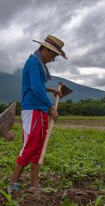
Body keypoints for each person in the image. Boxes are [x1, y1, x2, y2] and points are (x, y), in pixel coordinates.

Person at [9, 35, 67, 194]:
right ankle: (13, 184)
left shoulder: (39, 64)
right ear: (46, 50)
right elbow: (35, 88)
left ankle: (34, 184)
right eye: (53, 55)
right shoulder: (33, 63)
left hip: (40, 110)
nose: (53, 60)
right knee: (30, 146)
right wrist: (51, 108)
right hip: (33, 109)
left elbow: (37, 86)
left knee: (39, 149)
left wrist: (51, 90)